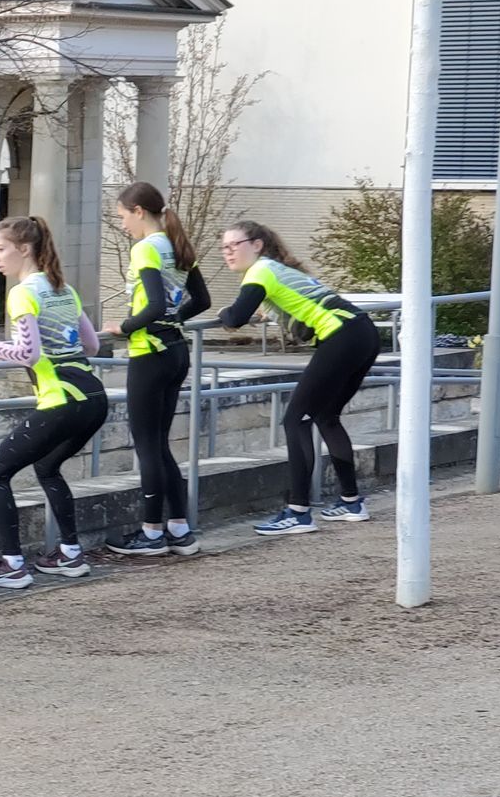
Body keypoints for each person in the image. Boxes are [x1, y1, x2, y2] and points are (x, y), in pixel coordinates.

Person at [0, 216, 110, 590]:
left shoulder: (22, 293)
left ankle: (12, 565)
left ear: (24, 249)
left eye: (0, 249)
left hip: (61, 399)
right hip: (93, 396)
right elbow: (92, 346)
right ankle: (70, 553)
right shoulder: (63, 288)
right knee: (47, 467)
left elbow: (27, 354)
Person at [214, 221, 380, 532]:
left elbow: (235, 318)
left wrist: (224, 313)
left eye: (234, 245)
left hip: (341, 337)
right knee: (326, 417)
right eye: (224, 247)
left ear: (257, 245)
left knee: (295, 420)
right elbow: (295, 311)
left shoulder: (260, 271)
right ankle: (351, 502)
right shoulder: (276, 271)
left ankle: (298, 512)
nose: (228, 253)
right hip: (362, 333)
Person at [101, 182, 212, 558]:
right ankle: (179, 528)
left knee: (147, 444)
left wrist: (123, 327)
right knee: (160, 443)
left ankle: (151, 532)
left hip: (149, 352)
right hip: (176, 350)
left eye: (122, 217)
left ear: (138, 211)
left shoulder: (146, 248)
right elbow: (202, 300)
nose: (122, 225)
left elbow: (153, 306)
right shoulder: (176, 245)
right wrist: (174, 320)